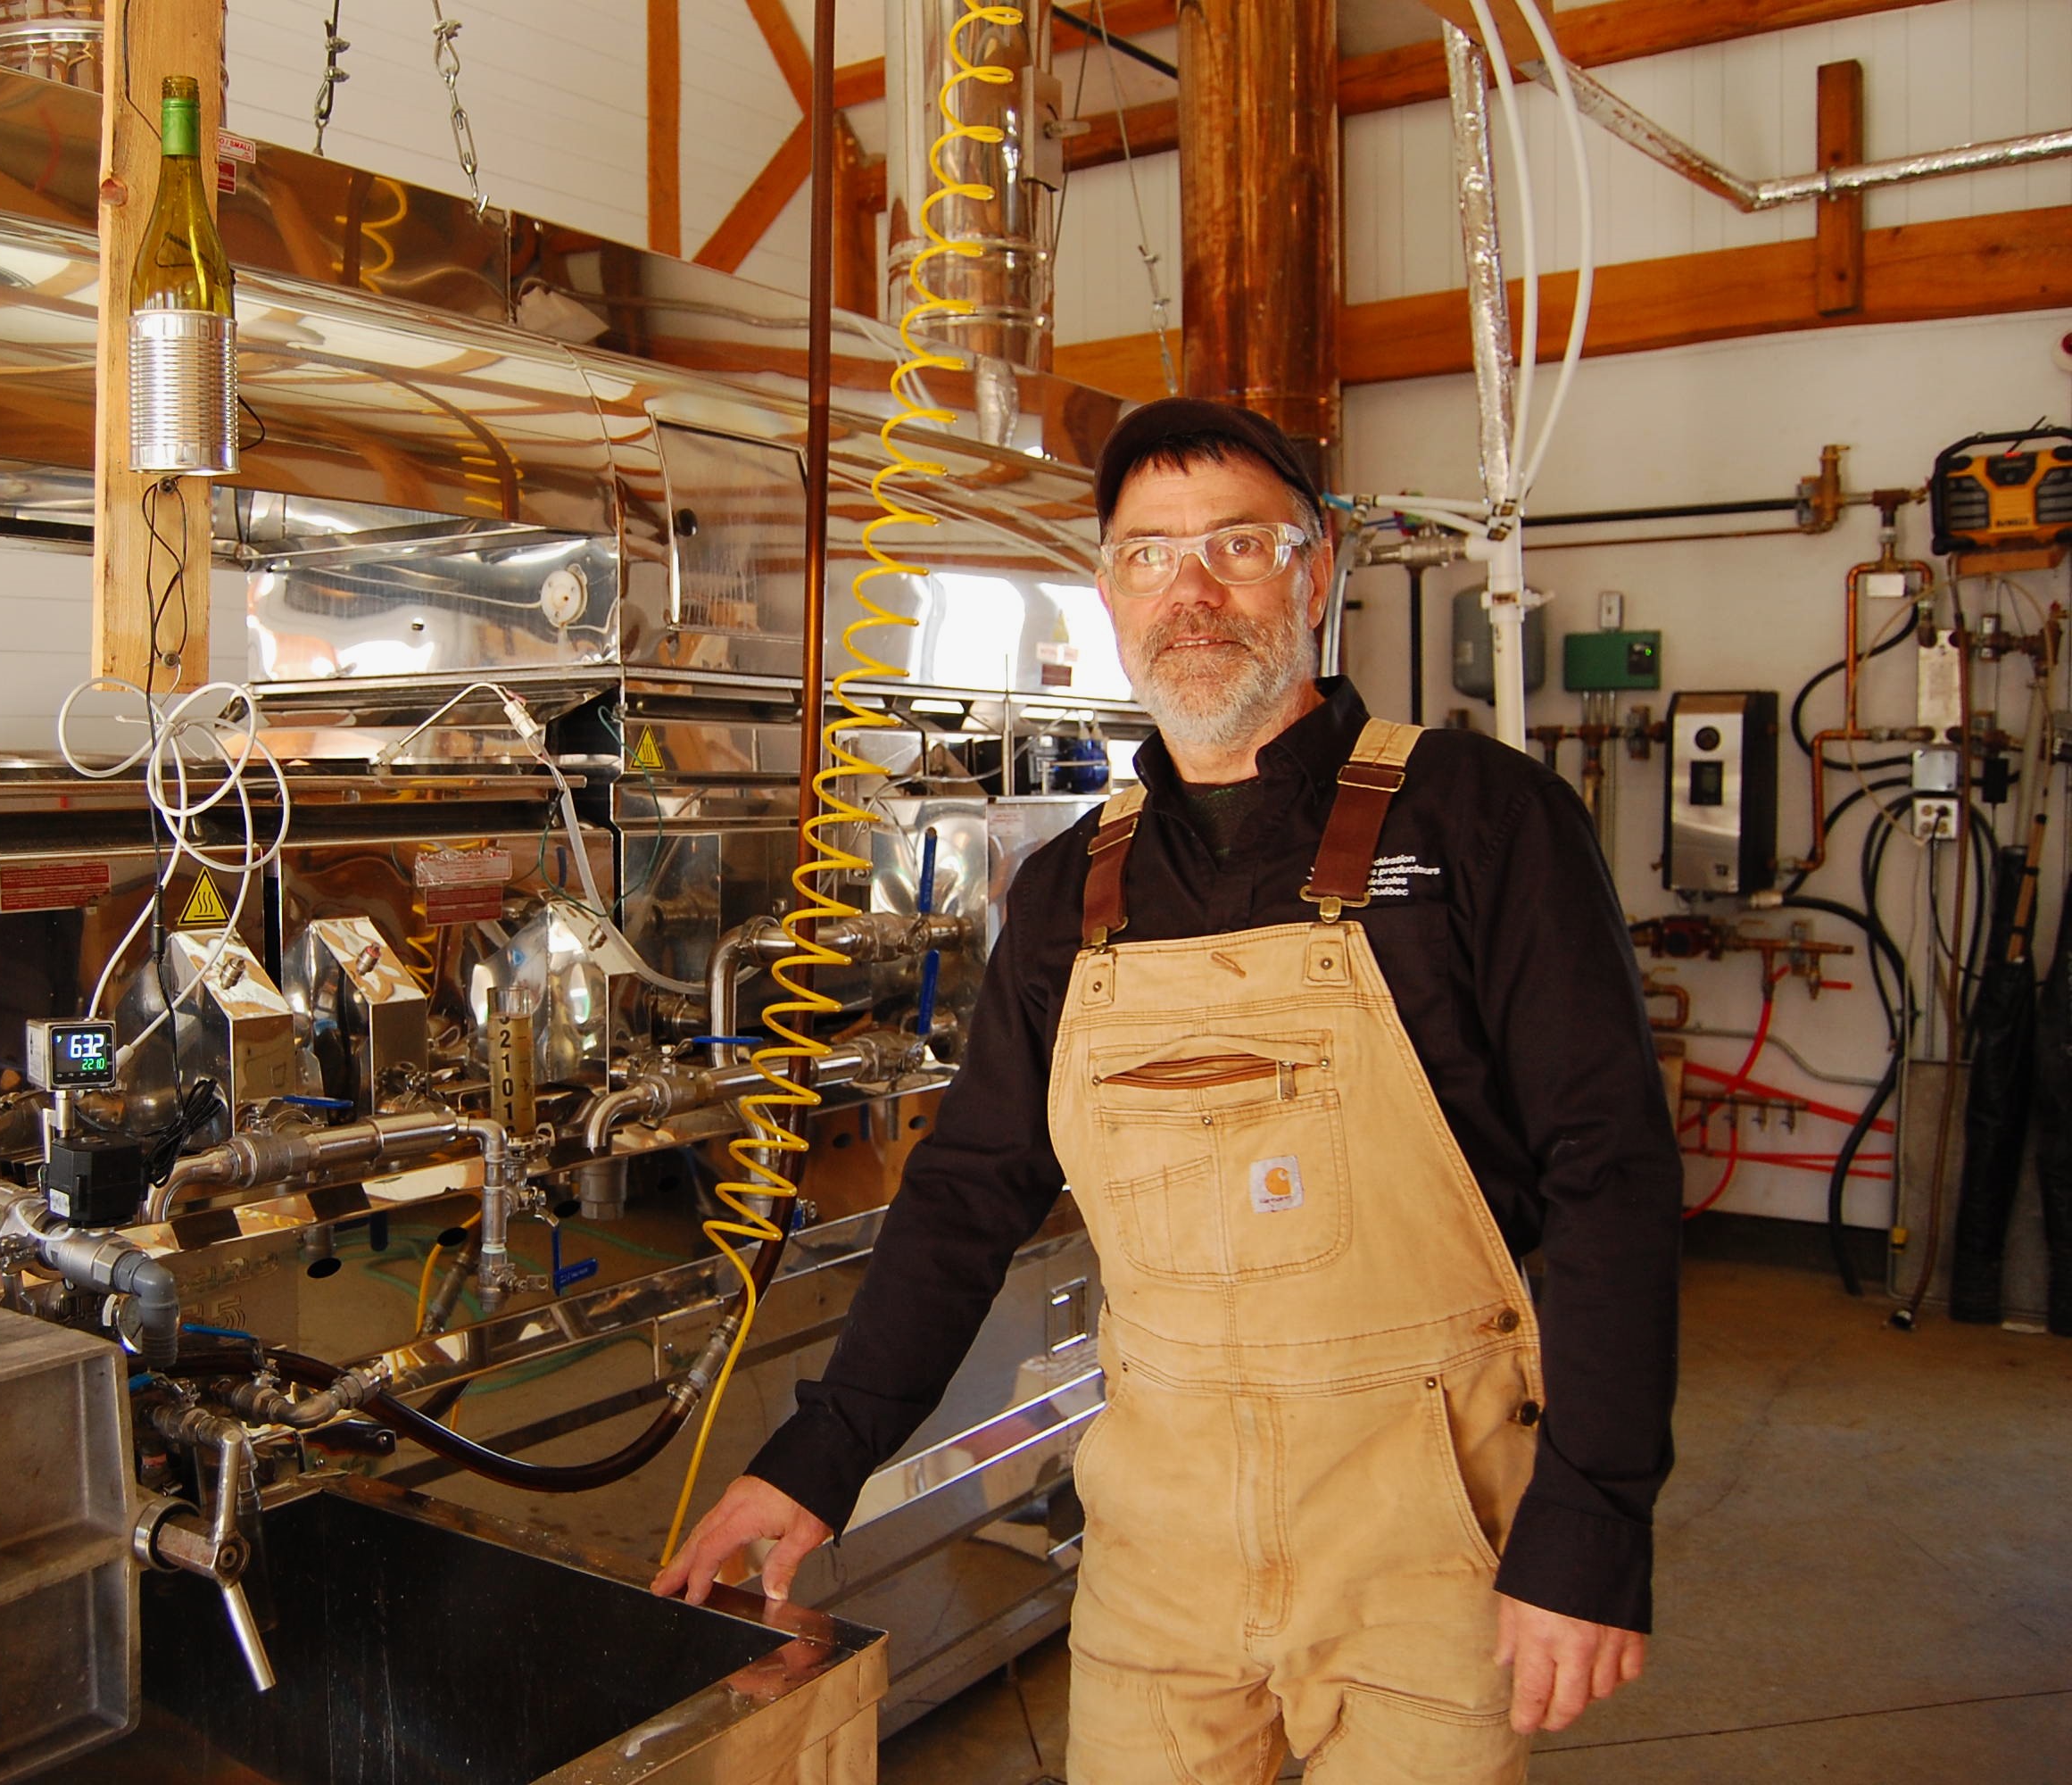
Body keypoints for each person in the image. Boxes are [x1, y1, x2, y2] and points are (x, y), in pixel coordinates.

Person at [653, 397, 1681, 1781]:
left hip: (1429, 1540)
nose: (1190, 593)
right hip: (1159, 1552)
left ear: (1314, 573)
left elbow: (1612, 1175)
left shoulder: (1480, 819)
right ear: (1108, 592)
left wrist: (1595, 1519)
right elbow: (967, 1195)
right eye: (1148, 555)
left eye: (1238, 546)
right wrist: (816, 1454)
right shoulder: (1074, 883)